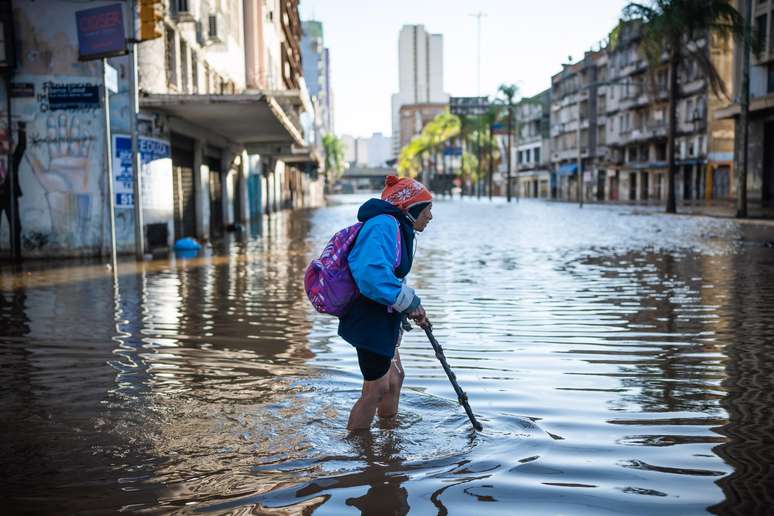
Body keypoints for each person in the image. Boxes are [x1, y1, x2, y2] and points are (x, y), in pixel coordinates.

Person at [340, 176, 433, 431]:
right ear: (411, 208)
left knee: (395, 379)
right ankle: (358, 448)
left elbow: (393, 277)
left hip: (384, 316)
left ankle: (388, 439)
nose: (430, 216)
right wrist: (410, 302)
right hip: (369, 318)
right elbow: (371, 275)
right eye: (427, 209)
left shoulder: (399, 228)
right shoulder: (384, 225)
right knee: (377, 389)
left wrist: (409, 311)